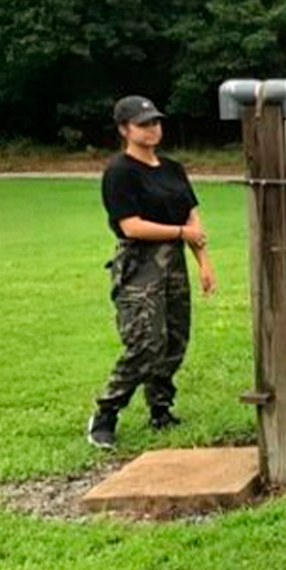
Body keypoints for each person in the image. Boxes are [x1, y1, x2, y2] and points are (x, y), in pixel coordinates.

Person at [88, 95, 216, 450]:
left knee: (175, 338)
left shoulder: (173, 168)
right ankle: (106, 413)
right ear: (124, 129)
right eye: (143, 124)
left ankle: (160, 407)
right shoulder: (120, 172)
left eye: (155, 122)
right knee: (145, 341)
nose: (152, 129)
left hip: (173, 262)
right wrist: (180, 233)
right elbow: (132, 226)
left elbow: (191, 214)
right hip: (139, 263)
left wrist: (203, 261)